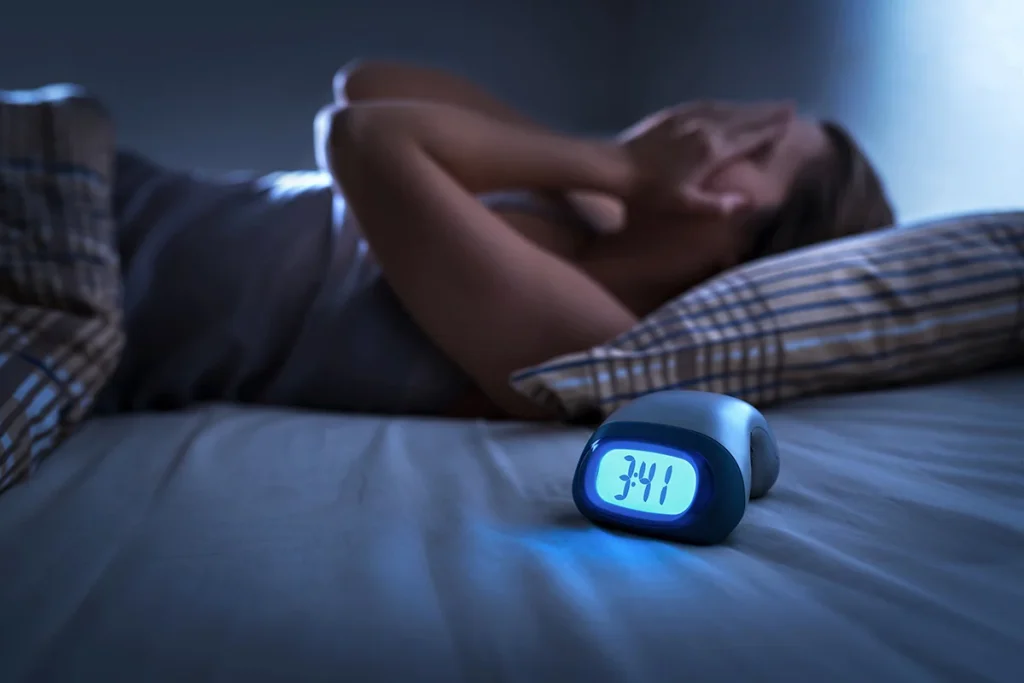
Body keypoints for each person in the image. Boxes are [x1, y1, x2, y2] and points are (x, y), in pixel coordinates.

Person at [100, 59, 895, 422]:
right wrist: (617, 169)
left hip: (99, 279)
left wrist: (620, 164)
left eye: (754, 150)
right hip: (107, 192)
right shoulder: (589, 206)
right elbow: (373, 80)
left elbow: (363, 134)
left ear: (746, 255)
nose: (715, 122)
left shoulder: (597, 342)